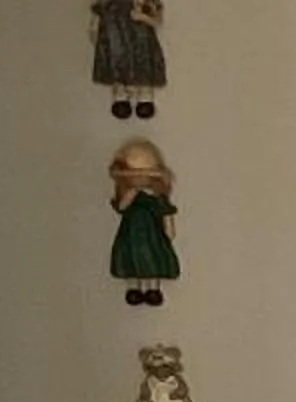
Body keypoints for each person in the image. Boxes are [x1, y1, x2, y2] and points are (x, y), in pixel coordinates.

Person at [108, 139, 179, 308]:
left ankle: (153, 288)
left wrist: (169, 230)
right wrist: (131, 193)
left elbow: (165, 212)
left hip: (151, 235)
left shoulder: (155, 198)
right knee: (131, 259)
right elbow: (122, 206)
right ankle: (135, 288)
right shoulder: (131, 196)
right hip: (131, 235)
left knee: (151, 260)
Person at [91, 0, 167, 119]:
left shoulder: (145, 2)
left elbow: (157, 20)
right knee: (118, 69)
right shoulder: (107, 5)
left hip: (142, 45)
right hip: (116, 42)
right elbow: (96, 18)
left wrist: (143, 17)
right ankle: (121, 97)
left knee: (143, 68)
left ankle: (144, 97)